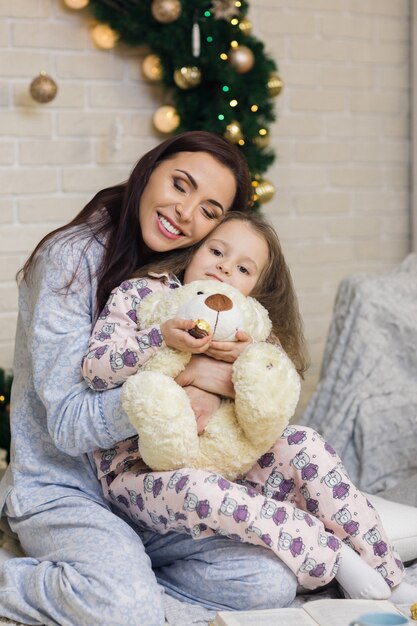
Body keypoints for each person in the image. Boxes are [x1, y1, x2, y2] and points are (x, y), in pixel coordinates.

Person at [0, 131, 300, 626]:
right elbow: (69, 427)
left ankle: (115, 581)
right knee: (124, 607)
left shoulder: (194, 271)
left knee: (269, 582)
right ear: (148, 170)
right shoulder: (70, 259)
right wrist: (184, 380)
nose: (186, 214)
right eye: (180, 185)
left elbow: (250, 375)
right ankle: (103, 589)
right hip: (63, 487)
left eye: (209, 210)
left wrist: (239, 372)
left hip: (147, 489)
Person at [86, 212, 416, 605]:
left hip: (234, 470)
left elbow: (273, 407)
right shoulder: (142, 295)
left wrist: (250, 362)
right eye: (216, 251)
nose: (225, 268)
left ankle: (389, 576)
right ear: (193, 251)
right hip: (141, 476)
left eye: (243, 268)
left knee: (304, 442)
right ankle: (329, 551)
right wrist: (162, 339)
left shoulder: (251, 325)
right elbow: (96, 369)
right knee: (199, 486)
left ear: (256, 288)